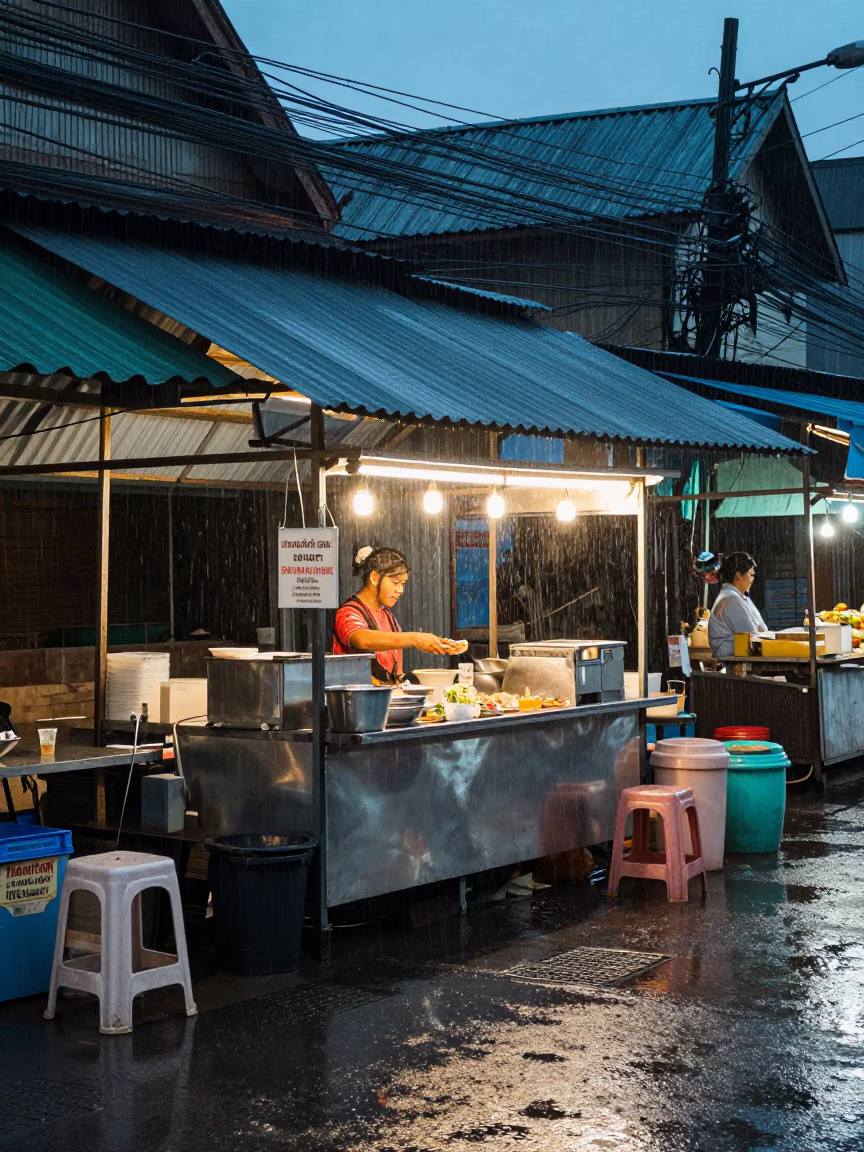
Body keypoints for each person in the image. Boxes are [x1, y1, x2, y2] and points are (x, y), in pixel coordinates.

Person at [332, 546, 463, 684]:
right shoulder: (348, 612)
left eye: (403, 584)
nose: (400, 590)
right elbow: (362, 640)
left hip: (387, 698)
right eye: (395, 583)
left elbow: (397, 669)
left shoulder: (388, 616)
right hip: (357, 701)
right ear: (375, 578)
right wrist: (415, 639)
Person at [708, 551, 768, 659]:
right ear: (739, 575)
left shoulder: (740, 597)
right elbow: (752, 636)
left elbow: (762, 629)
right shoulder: (731, 600)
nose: (753, 579)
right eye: (751, 575)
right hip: (730, 659)